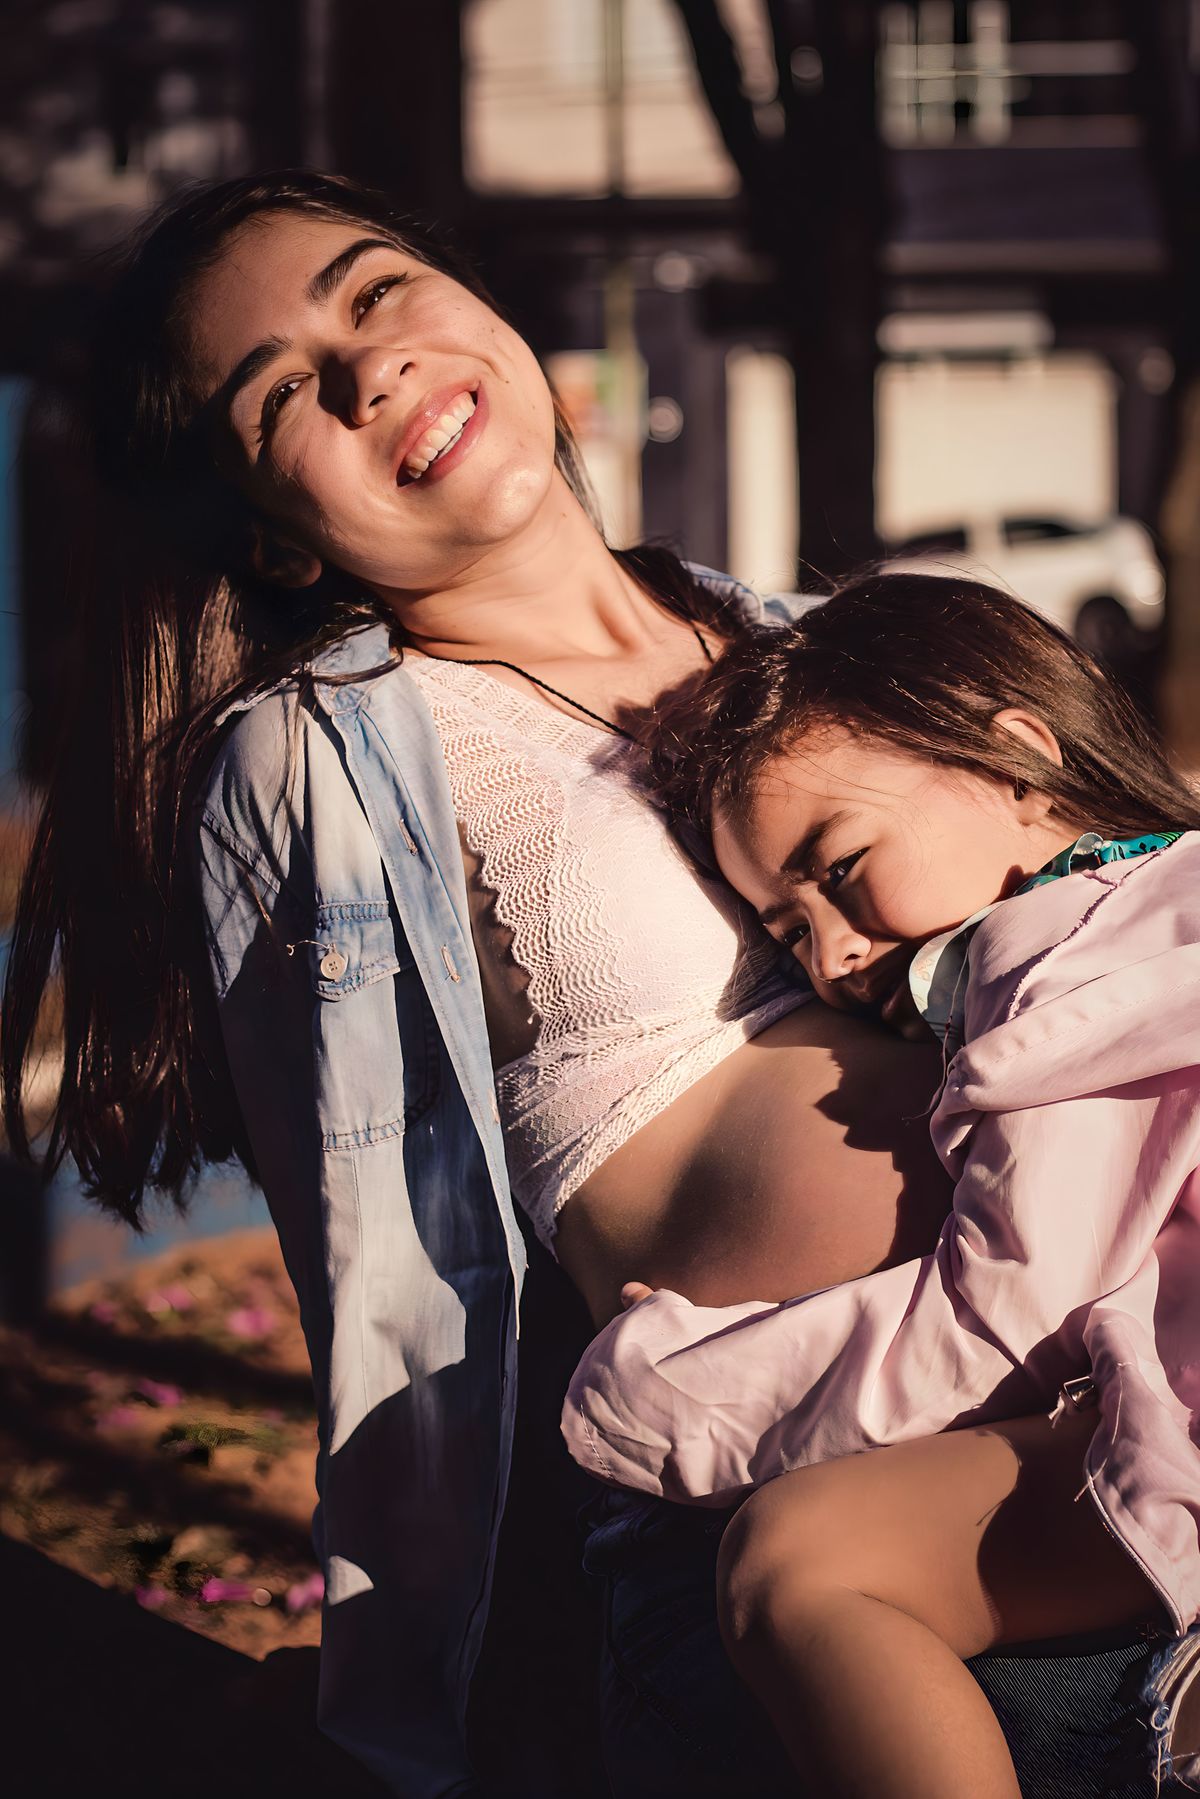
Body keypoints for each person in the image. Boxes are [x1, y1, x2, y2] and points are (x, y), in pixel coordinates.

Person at [0, 170, 1167, 1797]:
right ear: (271, 528)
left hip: (1123, 1415)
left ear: (471, 298)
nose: (366, 368)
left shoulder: (796, 634)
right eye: (280, 394)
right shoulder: (317, 755)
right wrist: (429, 1688)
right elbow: (383, 1259)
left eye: (370, 289)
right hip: (844, 1566)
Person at [564, 572, 1200, 1797]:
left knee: (801, 1561)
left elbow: (1000, 1312)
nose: (839, 954)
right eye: (788, 929)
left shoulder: (1057, 953)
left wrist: (666, 1388)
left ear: (1017, 761)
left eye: (841, 864)